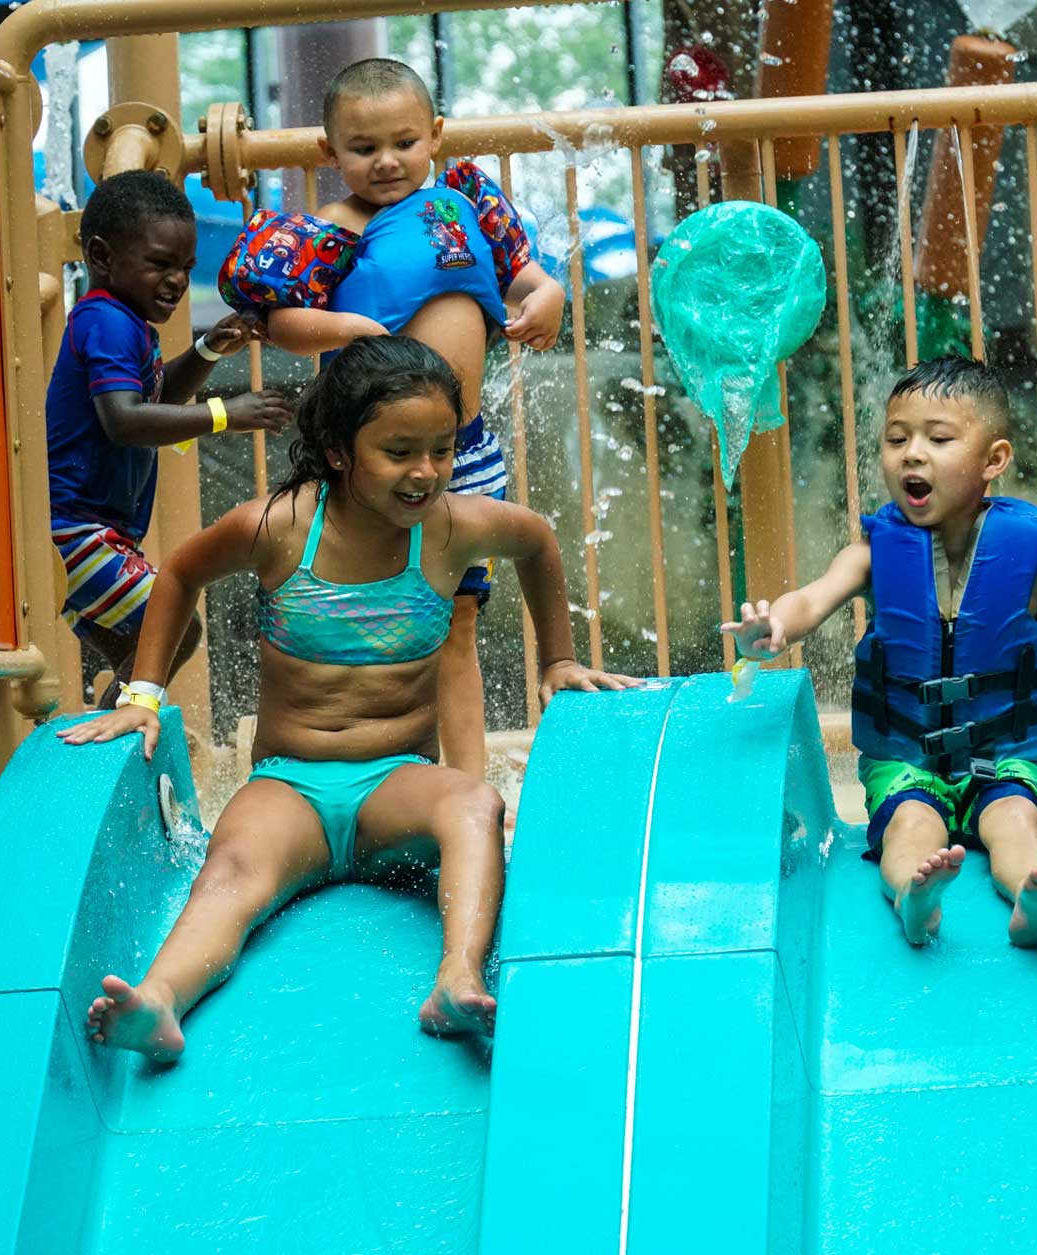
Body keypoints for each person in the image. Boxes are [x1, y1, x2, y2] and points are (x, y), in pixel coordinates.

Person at [63, 335, 634, 1061]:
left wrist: (558, 659)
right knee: (233, 870)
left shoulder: (455, 528)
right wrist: (143, 694)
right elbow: (178, 574)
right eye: (399, 451)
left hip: (393, 783)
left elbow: (538, 542)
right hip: (289, 787)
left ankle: (457, 976)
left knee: (474, 805)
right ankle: (161, 1001)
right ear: (338, 451)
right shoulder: (278, 528)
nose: (425, 472)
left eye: (442, 448)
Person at [219, 56, 568, 778]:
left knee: (457, 620)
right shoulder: (323, 233)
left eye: (404, 143)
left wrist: (547, 294)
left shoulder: (466, 202)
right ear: (329, 151)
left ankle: (469, 790)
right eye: (363, 148)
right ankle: (384, 773)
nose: (386, 162)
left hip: (460, 452)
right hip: (372, 462)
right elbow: (281, 322)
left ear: (435, 136)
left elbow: (522, 273)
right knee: (387, 621)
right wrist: (346, 328)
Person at [723, 356, 1037, 948]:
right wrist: (772, 626)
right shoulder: (876, 552)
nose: (912, 454)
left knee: (1017, 818)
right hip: (907, 761)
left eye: (938, 438)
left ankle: (1031, 895)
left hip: (1002, 754)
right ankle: (913, 895)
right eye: (896, 439)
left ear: (994, 460)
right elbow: (811, 598)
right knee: (911, 825)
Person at [46, 170, 289, 702]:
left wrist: (206, 351)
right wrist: (226, 413)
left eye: (184, 267)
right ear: (102, 256)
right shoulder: (107, 323)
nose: (177, 280)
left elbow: (154, 399)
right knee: (175, 626)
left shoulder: (123, 322)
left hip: (91, 531)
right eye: (160, 263)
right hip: (74, 532)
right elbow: (126, 420)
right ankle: (121, 726)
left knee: (138, 654)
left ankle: (114, 739)